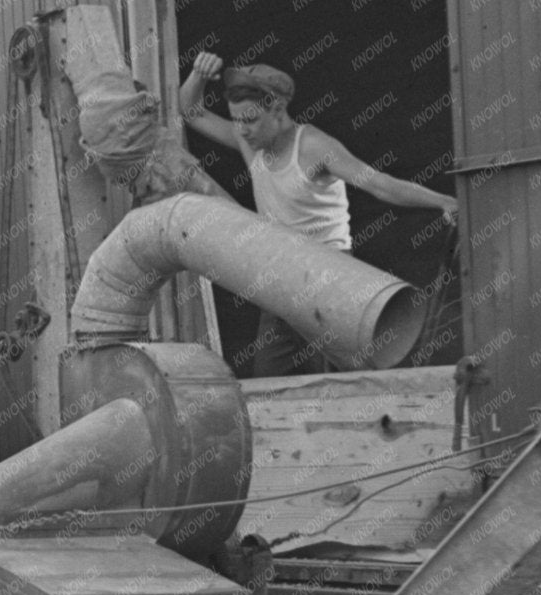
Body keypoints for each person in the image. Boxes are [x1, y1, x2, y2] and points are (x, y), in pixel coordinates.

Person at [179, 53, 459, 376]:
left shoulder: (313, 146)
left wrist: (442, 201)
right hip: (280, 274)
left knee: (338, 380)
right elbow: (192, 110)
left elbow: (380, 185)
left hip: (329, 275)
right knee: (268, 380)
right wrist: (199, 74)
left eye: (250, 120)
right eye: (236, 119)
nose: (241, 130)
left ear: (278, 110)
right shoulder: (249, 142)